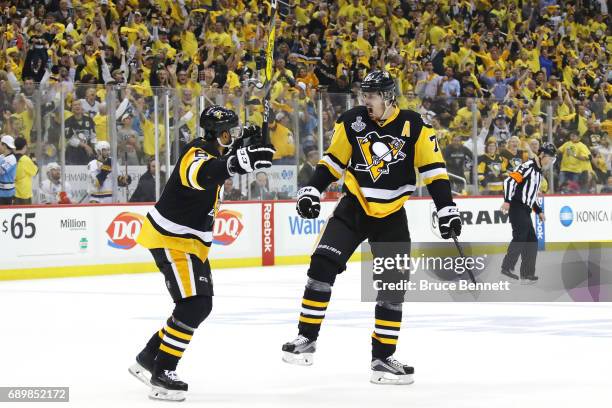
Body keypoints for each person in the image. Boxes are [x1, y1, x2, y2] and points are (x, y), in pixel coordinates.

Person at [281, 71, 461, 385]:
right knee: (321, 264)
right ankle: (306, 338)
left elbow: (434, 172)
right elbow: (333, 162)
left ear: (389, 97)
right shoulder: (352, 121)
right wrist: (311, 190)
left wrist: (446, 209)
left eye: (372, 95)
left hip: (392, 214)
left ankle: (382, 358)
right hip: (354, 206)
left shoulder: (415, 126)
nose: (366, 101)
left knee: (393, 287)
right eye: (364, 94)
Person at [129, 106, 275, 401]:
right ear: (218, 134)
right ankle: (163, 372)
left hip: (191, 242)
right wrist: (241, 161)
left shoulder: (217, 146)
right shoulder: (195, 153)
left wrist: (257, 136)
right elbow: (203, 174)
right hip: (172, 238)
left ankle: (148, 358)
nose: (234, 136)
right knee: (193, 306)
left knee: (199, 306)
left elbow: (234, 153)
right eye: (230, 132)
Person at [500, 143, 557, 282]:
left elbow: (531, 196)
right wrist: (507, 201)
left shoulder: (538, 171)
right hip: (516, 206)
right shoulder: (528, 166)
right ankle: (506, 267)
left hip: (525, 209)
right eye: (549, 158)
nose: (550, 161)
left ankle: (527, 273)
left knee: (531, 240)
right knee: (521, 236)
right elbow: (509, 182)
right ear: (542, 155)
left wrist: (539, 211)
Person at [13, 137, 39, 205]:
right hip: (24, 194)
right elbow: (35, 171)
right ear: (24, 146)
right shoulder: (25, 159)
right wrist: (33, 160)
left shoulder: (11, 158)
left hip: (13, 192)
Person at [0, 135, 17, 205]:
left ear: (5, 145)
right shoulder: (2, 156)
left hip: (7, 195)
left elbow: (1, 171)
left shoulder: (12, 159)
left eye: (1, 144)